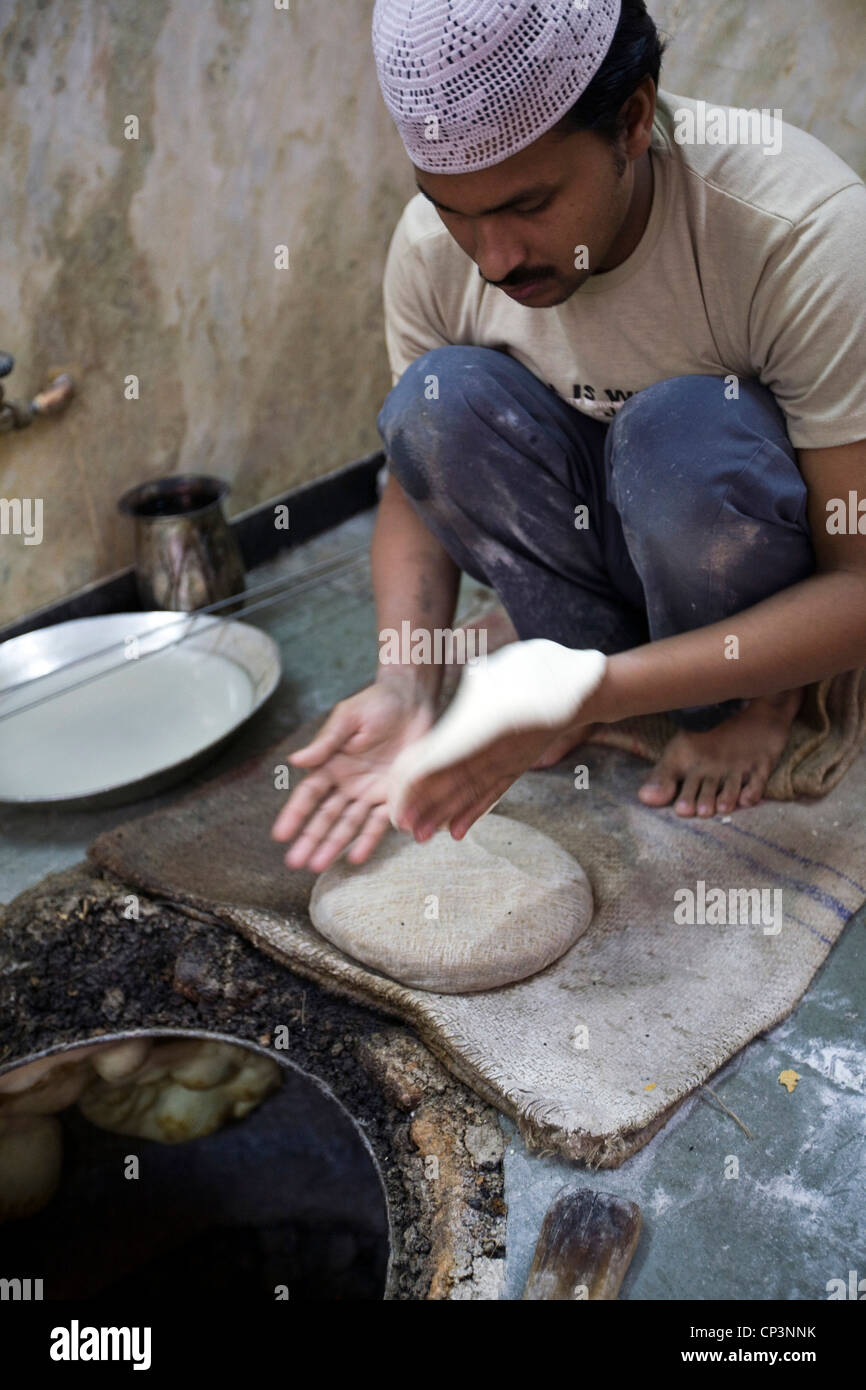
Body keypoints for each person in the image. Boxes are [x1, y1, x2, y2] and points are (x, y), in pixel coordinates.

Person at [272, 0, 866, 873]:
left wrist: (603, 692)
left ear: (632, 120)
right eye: (453, 211)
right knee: (434, 401)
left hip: (729, 537)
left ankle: (748, 699)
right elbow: (415, 480)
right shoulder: (435, 253)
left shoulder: (797, 232)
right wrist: (408, 680)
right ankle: (578, 656)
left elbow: (858, 579)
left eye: (529, 204)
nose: (495, 257)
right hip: (602, 534)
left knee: (678, 439)